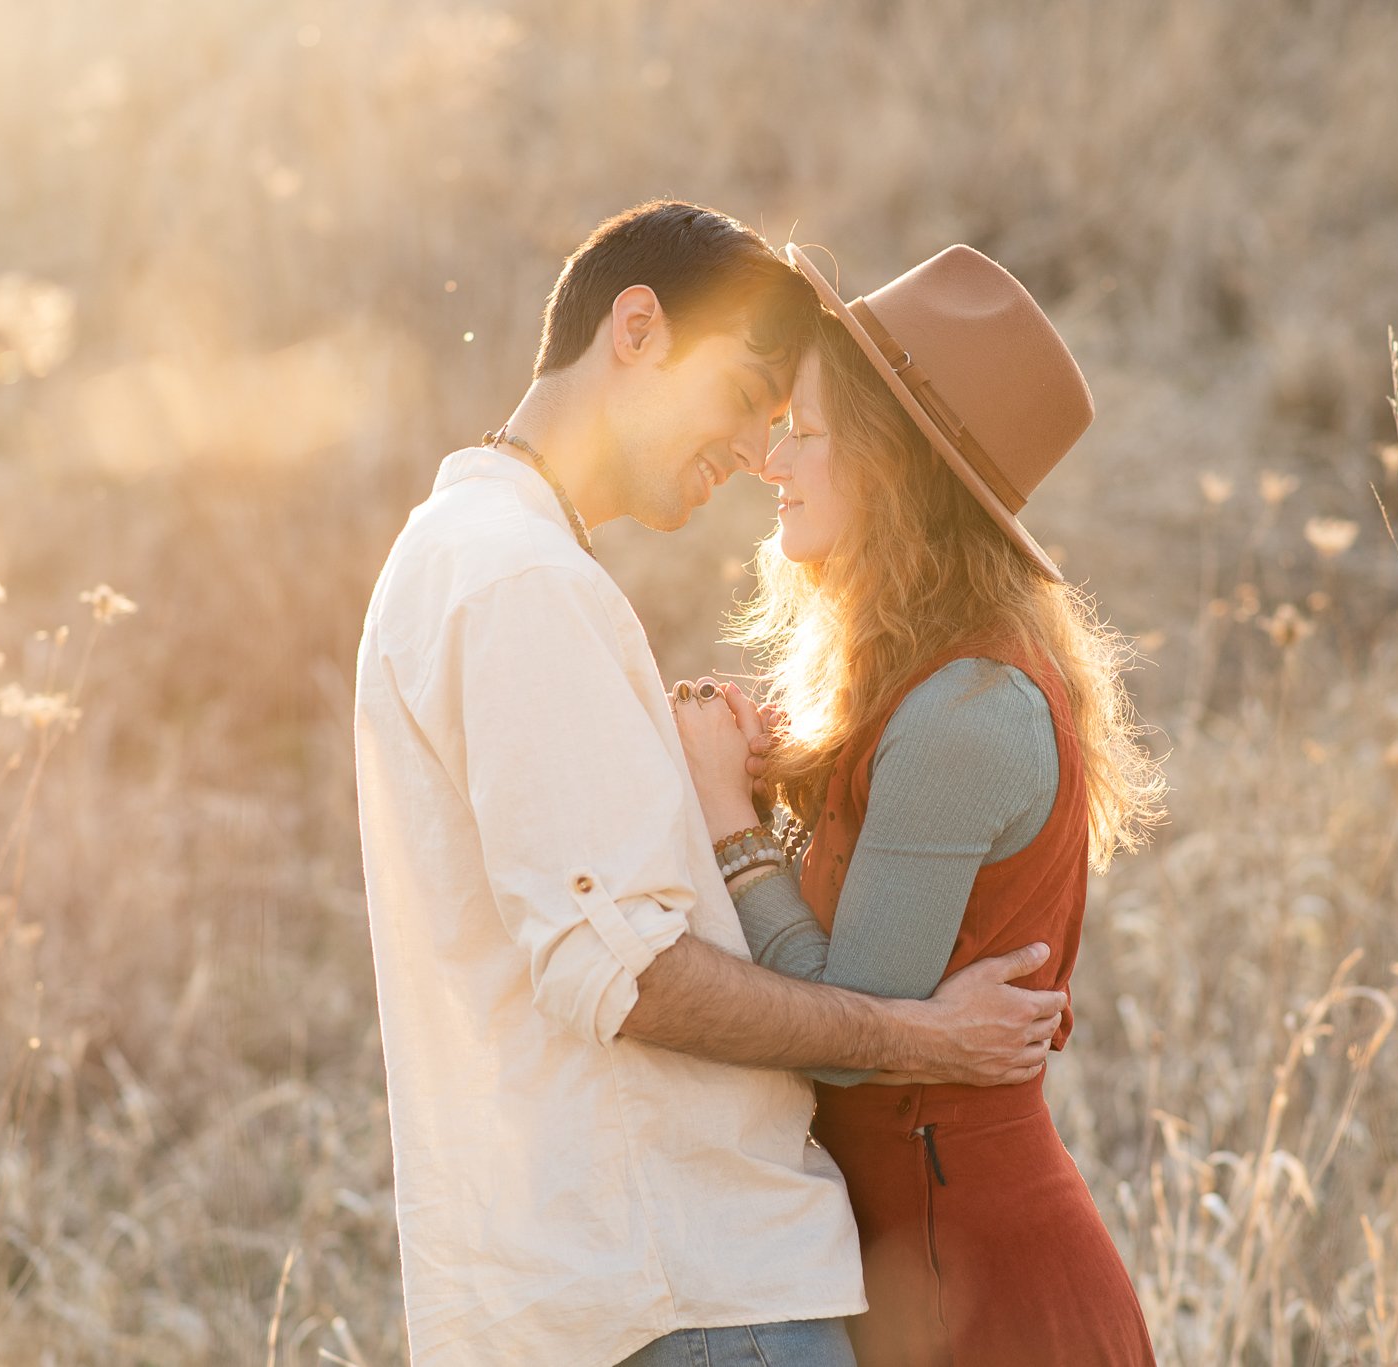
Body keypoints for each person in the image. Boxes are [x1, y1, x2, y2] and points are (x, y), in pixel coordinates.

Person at [352, 203, 1068, 1367]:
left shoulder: (468, 552)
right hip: (683, 1287)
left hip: (618, 1282)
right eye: (744, 395)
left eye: (782, 423)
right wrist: (913, 1033)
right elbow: (631, 975)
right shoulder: (515, 578)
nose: (751, 451)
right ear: (636, 329)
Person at [670, 244, 1168, 1366]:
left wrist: (728, 823)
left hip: (983, 1287)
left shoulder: (967, 708)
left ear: (891, 464)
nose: (768, 456)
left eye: (800, 426)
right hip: (907, 1265)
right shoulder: (913, 674)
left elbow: (846, 1035)